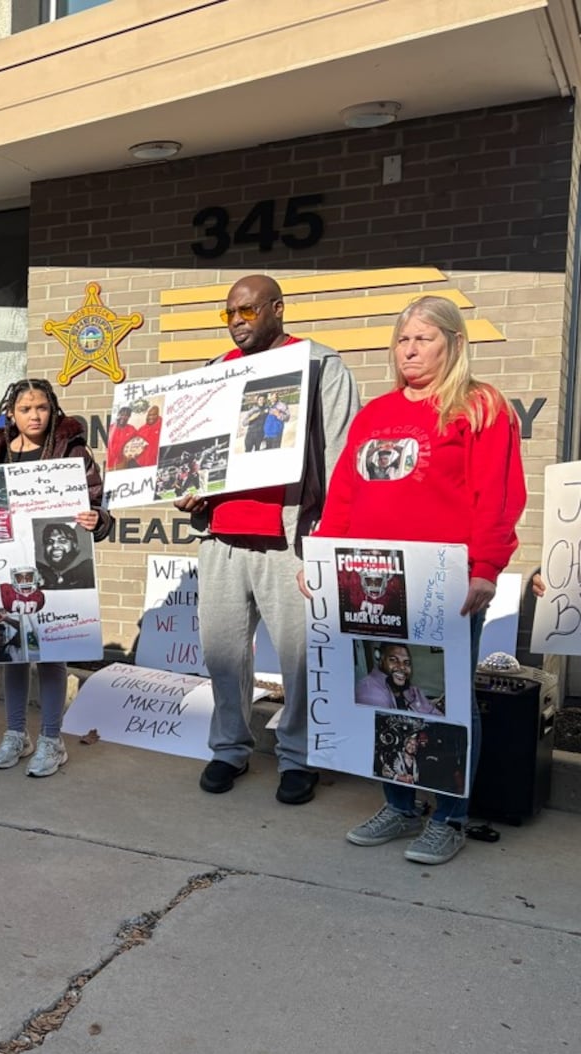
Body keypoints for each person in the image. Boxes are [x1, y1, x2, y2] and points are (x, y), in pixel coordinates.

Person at [315, 295, 525, 865]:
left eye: (424, 338)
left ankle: (450, 815)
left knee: (443, 695)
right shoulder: (374, 413)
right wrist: (324, 565)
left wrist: (486, 568)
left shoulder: (480, 407)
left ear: (453, 343)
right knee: (387, 690)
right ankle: (401, 804)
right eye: (403, 339)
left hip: (445, 579)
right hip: (372, 578)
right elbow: (346, 497)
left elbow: (497, 497)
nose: (410, 349)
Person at [178, 273, 358, 806]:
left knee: (300, 657)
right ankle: (230, 747)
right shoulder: (213, 373)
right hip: (222, 537)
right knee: (223, 653)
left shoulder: (320, 363)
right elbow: (195, 460)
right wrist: (189, 492)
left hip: (290, 538)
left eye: (249, 311)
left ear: (278, 309)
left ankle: (298, 755)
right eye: (229, 312)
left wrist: (326, 533)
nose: (237, 321)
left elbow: (344, 454)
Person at [0, 379, 110, 776]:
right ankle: (16, 733)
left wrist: (97, 517)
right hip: (5, 564)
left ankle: (52, 738)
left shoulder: (73, 450)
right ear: (10, 413)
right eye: (26, 409)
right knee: (12, 654)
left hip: (56, 567)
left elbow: (99, 503)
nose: (35, 416)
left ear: (54, 410)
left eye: (42, 408)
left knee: (52, 654)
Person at [354, 643, 442, 714]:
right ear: (381, 660)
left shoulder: (409, 689)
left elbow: (430, 711)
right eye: (393, 660)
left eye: (406, 662)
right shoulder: (369, 691)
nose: (402, 667)